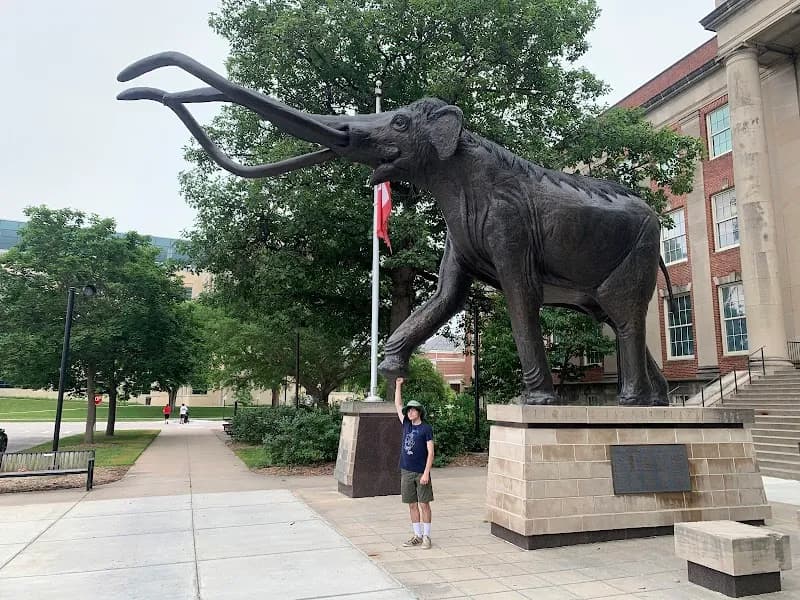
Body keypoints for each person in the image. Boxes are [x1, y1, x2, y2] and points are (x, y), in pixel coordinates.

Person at [394, 377, 435, 549]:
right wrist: (398, 385)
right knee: (412, 504)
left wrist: (426, 473)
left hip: (420, 471)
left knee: (424, 504)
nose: (410, 413)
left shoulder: (426, 428)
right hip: (406, 470)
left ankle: (426, 536)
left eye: (413, 410)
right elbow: (398, 404)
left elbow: (431, 452)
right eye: (408, 410)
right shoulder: (406, 425)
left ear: (419, 412)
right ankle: (417, 535)